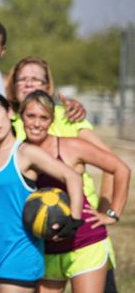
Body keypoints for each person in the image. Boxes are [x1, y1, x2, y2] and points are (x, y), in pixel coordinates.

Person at [7, 56, 120, 292]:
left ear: (48, 86)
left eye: (35, 79)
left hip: (83, 233)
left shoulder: (68, 119)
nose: (29, 84)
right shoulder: (8, 125)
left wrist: (107, 211)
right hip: (39, 236)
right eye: (23, 79)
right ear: (13, 85)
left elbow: (113, 166)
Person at [0, 91, 84, 293]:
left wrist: (73, 221)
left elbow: (72, 177)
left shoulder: (25, 153)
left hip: (21, 253)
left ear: (9, 112)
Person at [20, 90, 131, 293]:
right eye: (31, 116)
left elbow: (121, 169)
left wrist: (113, 213)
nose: (36, 123)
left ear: (52, 120)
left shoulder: (71, 146)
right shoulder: (17, 153)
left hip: (85, 243)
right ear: (21, 117)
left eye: (43, 117)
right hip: (45, 248)